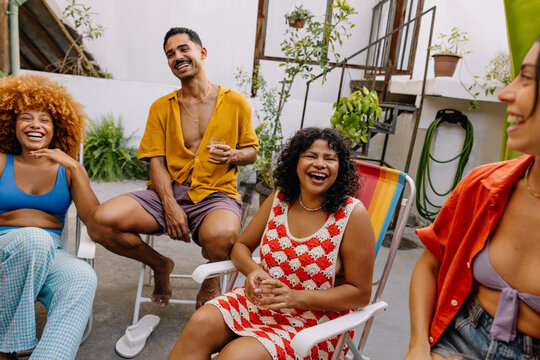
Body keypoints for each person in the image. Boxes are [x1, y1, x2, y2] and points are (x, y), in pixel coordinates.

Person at [87, 27, 258, 309]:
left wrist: (234, 155)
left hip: (215, 194)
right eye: (170, 54)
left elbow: (251, 151)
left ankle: (211, 281)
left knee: (225, 236)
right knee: (99, 221)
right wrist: (169, 205)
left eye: (183, 49)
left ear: (202, 53)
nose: (177, 57)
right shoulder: (161, 107)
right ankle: (160, 264)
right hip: (167, 191)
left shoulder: (236, 102)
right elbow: (156, 161)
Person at [169, 127, 375, 360]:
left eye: (330, 158)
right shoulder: (280, 199)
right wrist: (254, 272)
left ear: (341, 168)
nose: (320, 164)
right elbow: (241, 247)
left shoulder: (351, 215)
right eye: (310, 156)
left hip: (314, 323)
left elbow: (360, 294)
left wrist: (294, 297)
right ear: (295, 163)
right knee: (201, 322)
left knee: (235, 356)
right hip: (261, 302)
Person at [405, 37, 540, 360]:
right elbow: (430, 263)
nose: (505, 93)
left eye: (528, 78)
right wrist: (418, 346)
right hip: (460, 340)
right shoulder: (484, 185)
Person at [0, 74, 98, 360]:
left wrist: (77, 169)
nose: (35, 125)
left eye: (45, 119)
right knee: (32, 239)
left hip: (51, 250)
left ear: (57, 128)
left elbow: (93, 220)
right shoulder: (1, 161)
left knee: (82, 276)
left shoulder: (67, 170)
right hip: (4, 245)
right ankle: (6, 351)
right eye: (26, 118)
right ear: (11, 124)